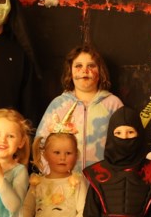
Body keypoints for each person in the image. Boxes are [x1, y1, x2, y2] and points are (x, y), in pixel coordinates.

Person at [34, 44, 123, 172]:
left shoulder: (113, 104)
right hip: (66, 184)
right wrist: (52, 174)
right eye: (78, 66)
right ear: (70, 71)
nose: (85, 70)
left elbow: (125, 146)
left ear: (100, 71)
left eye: (91, 65)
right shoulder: (58, 105)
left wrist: (116, 177)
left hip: (103, 183)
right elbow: (40, 144)